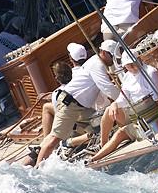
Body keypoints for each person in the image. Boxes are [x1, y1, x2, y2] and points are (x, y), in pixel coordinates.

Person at [35, 39, 120, 167]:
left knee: (100, 126)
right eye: (111, 56)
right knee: (54, 138)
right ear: (102, 52)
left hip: (80, 107)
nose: (113, 60)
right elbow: (107, 87)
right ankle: (38, 169)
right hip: (70, 105)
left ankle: (85, 145)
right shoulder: (97, 64)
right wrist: (124, 100)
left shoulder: (95, 63)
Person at [91, 50, 158, 161]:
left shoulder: (150, 72)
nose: (132, 67)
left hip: (152, 115)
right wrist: (115, 104)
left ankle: (96, 157)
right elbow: (123, 97)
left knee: (120, 133)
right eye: (128, 66)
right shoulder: (127, 77)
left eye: (133, 63)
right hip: (136, 115)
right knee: (109, 110)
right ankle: (100, 150)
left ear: (139, 59)